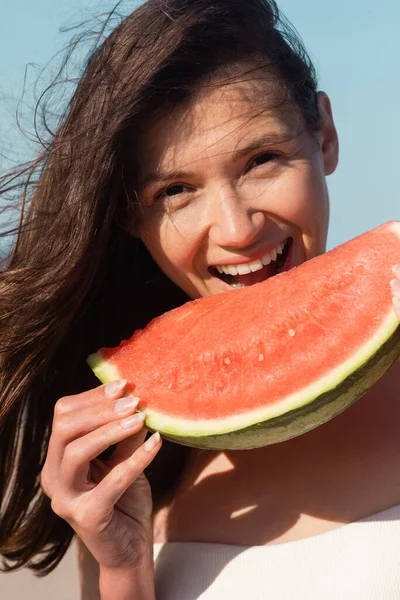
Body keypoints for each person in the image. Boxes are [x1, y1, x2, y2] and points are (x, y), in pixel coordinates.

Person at [1, 0, 400, 598]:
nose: (237, 229)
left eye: (262, 159)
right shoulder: (133, 462)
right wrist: (123, 568)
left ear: (326, 134)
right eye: (177, 190)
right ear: (131, 217)